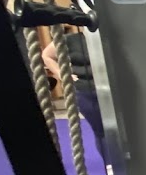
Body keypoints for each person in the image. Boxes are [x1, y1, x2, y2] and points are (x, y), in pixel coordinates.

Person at [42, 32, 107, 165]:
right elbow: (46, 55)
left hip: (110, 90)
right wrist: (61, 74)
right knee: (100, 131)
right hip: (85, 92)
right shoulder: (70, 39)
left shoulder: (107, 36)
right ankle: (109, 163)